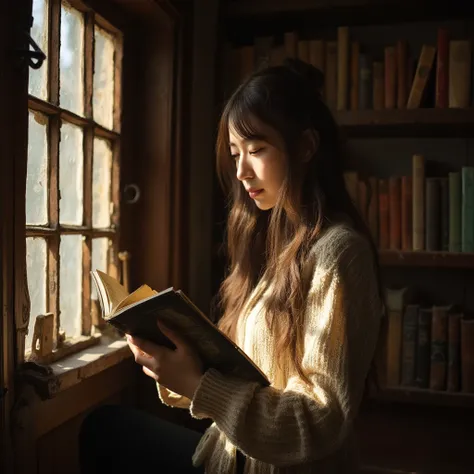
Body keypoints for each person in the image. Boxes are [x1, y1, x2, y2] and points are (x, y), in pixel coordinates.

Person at [79, 58, 384, 474]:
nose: (241, 171)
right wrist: (176, 367)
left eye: (257, 150)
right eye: (236, 153)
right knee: (105, 429)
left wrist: (197, 384)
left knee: (106, 432)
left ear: (306, 147)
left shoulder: (340, 254)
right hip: (229, 457)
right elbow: (246, 378)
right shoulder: (275, 246)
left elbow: (319, 420)